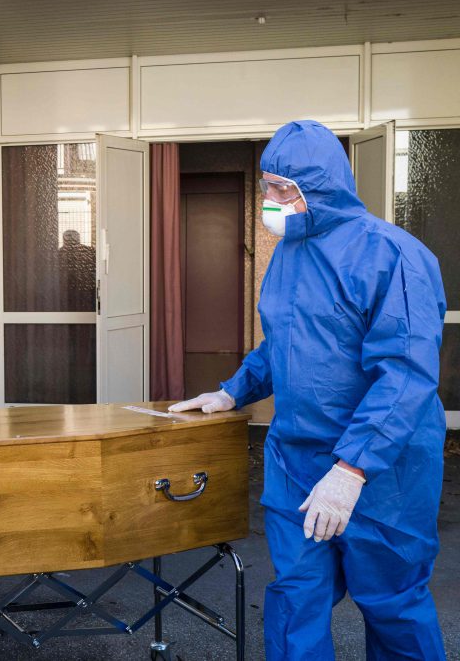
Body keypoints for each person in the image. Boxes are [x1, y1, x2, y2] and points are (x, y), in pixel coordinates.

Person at [170, 120, 446, 660]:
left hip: (383, 472)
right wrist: (232, 392)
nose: (269, 200)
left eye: (281, 189)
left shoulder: (394, 257)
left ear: (319, 187)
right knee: (297, 598)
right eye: (267, 184)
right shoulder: (289, 256)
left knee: (391, 601)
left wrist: (352, 469)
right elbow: (283, 345)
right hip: (297, 459)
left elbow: (406, 375)